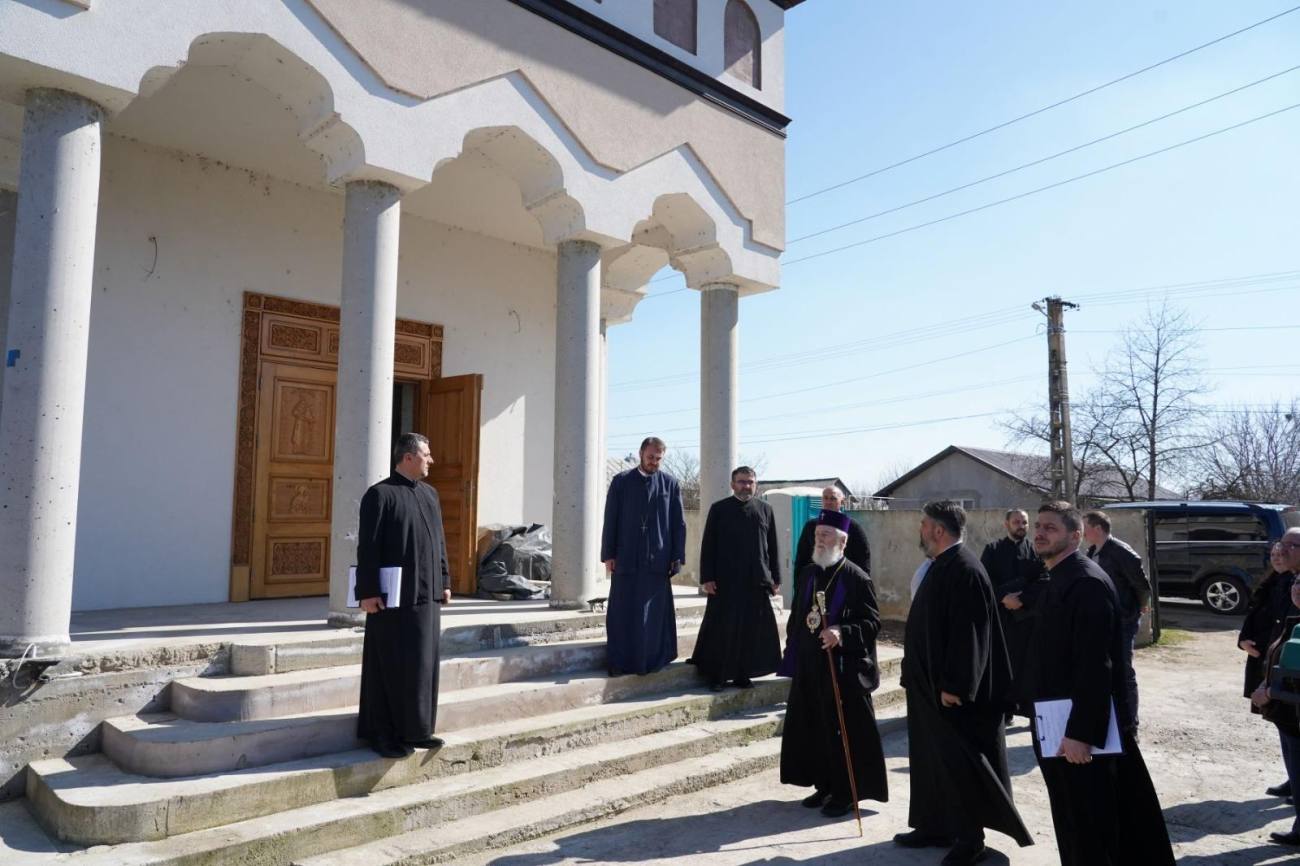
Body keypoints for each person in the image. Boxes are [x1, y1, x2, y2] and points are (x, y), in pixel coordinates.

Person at [1025, 501, 1173, 866]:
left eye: (1051, 528)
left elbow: (1096, 665)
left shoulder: (1086, 583)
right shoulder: (1060, 576)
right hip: (1057, 722)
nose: (1040, 533)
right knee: (1074, 820)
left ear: (1075, 536)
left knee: (1091, 826)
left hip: (1077, 732)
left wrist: (1081, 733)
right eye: (1038, 526)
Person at [896, 500, 1031, 865]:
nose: (921, 530)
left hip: (953, 694)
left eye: (924, 524)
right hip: (928, 689)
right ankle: (934, 825)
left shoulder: (965, 569)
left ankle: (970, 840)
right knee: (931, 761)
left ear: (938, 530)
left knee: (960, 766)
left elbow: (970, 635)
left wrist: (956, 685)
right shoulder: (941, 565)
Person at [779, 512, 888, 818]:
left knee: (844, 734)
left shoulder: (856, 578)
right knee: (816, 730)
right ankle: (824, 784)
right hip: (811, 667)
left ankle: (847, 793)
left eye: (825, 535)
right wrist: (792, 649)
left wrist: (842, 632)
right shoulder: (809, 574)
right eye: (817, 535)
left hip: (842, 670)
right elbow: (799, 615)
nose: (819, 539)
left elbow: (872, 622)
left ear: (842, 541)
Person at [355, 432, 452, 759]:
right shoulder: (379, 495)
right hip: (391, 600)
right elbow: (368, 547)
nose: (431, 460)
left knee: (422, 665)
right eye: (426, 455)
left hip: (427, 596)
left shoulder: (430, 494)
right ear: (408, 457)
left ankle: (417, 729)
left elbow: (439, 542)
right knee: (390, 665)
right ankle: (382, 734)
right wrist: (367, 591)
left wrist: (444, 581)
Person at [601, 436, 687, 676]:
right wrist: (608, 554)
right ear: (640, 454)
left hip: (657, 560)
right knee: (623, 611)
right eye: (650, 457)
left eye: (658, 459)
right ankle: (620, 661)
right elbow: (611, 519)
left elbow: (678, 523)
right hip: (626, 557)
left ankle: (653, 660)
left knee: (653, 615)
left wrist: (677, 556)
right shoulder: (621, 481)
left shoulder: (670, 484)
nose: (654, 462)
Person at [691, 466, 782, 690]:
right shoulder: (719, 509)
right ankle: (717, 676)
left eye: (750, 482)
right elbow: (708, 545)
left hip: (756, 580)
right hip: (725, 581)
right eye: (741, 482)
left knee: (751, 631)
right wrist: (707, 577)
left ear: (756, 485)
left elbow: (772, 546)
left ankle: (743, 674)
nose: (746, 486)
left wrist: (775, 577)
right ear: (733, 484)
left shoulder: (765, 509)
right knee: (722, 630)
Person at [1083, 510, 1152, 732]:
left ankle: (1130, 724)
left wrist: (1140, 606)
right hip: (1102, 621)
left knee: (1124, 671)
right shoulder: (1092, 551)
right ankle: (1110, 719)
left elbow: (1142, 585)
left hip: (1123, 620)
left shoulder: (1121, 551)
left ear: (1097, 528)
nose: (1082, 532)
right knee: (1104, 671)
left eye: (1085, 527)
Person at [1247, 530, 1300, 814]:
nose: (1282, 551)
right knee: (1286, 731)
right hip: (1278, 671)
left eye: (1291, 546)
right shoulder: (1281, 580)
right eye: (1281, 545)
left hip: (1290, 678)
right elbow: (1261, 615)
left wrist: (1270, 686)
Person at [979, 508, 1045, 720]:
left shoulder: (1037, 551)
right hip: (1002, 619)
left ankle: (1028, 710)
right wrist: (1003, 598)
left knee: (1028, 665)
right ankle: (1006, 710)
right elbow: (985, 582)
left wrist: (1022, 599)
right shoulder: (993, 550)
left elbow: (1044, 580)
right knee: (1002, 665)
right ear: (1006, 524)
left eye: (1024, 522)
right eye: (1016, 522)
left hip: (1028, 618)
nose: (1021, 526)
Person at [793, 485, 871, 576]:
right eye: (825, 498)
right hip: (816, 580)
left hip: (844, 580)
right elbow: (801, 559)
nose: (828, 502)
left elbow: (863, 560)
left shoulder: (853, 527)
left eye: (833, 498)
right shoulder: (810, 526)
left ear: (842, 502)